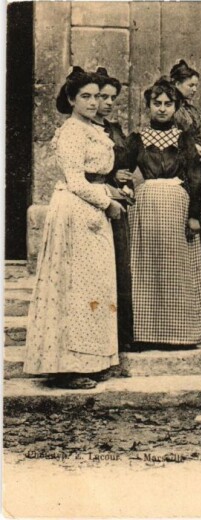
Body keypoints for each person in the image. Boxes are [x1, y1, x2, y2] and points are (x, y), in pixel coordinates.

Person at [24, 67, 125, 389]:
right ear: (71, 99)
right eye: (86, 96)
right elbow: (76, 181)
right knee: (76, 288)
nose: (94, 102)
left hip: (91, 210)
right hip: (75, 211)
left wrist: (109, 193)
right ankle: (67, 365)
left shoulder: (93, 130)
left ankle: (92, 360)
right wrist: (107, 202)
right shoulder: (71, 131)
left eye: (97, 96)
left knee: (94, 288)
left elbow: (96, 178)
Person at [125, 77, 201, 349]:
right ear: (148, 105)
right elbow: (121, 169)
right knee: (146, 268)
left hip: (176, 205)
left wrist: (193, 215)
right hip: (146, 206)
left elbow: (195, 177)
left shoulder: (184, 139)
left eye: (168, 104)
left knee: (175, 267)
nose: (161, 109)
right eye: (156, 103)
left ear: (176, 106)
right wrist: (123, 184)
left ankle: (179, 332)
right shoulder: (136, 139)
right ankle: (145, 332)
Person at [92, 67, 135, 352]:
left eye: (111, 98)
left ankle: (122, 336)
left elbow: (124, 164)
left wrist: (125, 177)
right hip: (96, 202)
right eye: (102, 97)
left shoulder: (116, 130)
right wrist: (110, 182)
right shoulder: (85, 129)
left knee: (121, 267)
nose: (107, 103)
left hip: (118, 203)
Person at [171, 59, 201, 273]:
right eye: (191, 85)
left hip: (196, 164)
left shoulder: (189, 109)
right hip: (182, 165)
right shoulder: (170, 108)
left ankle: (196, 266)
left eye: (196, 85)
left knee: (199, 207)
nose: (195, 89)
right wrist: (194, 149)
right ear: (177, 84)